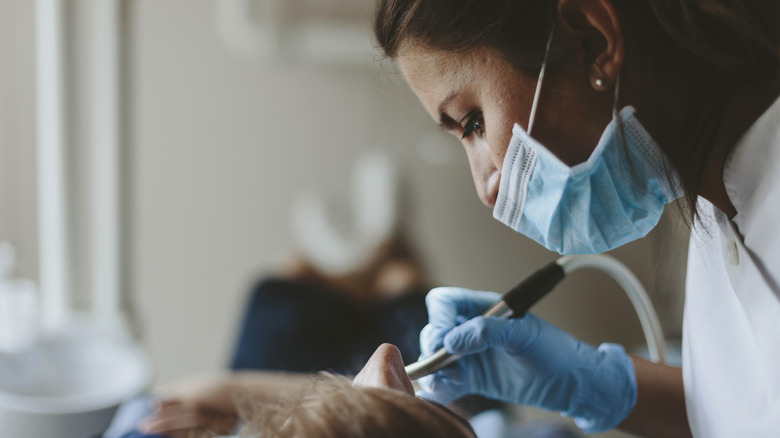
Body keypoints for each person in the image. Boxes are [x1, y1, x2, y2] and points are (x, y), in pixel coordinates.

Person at [373, 1, 780, 437]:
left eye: (474, 122)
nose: (486, 188)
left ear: (593, 41)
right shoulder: (716, 216)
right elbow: (745, 412)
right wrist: (595, 384)